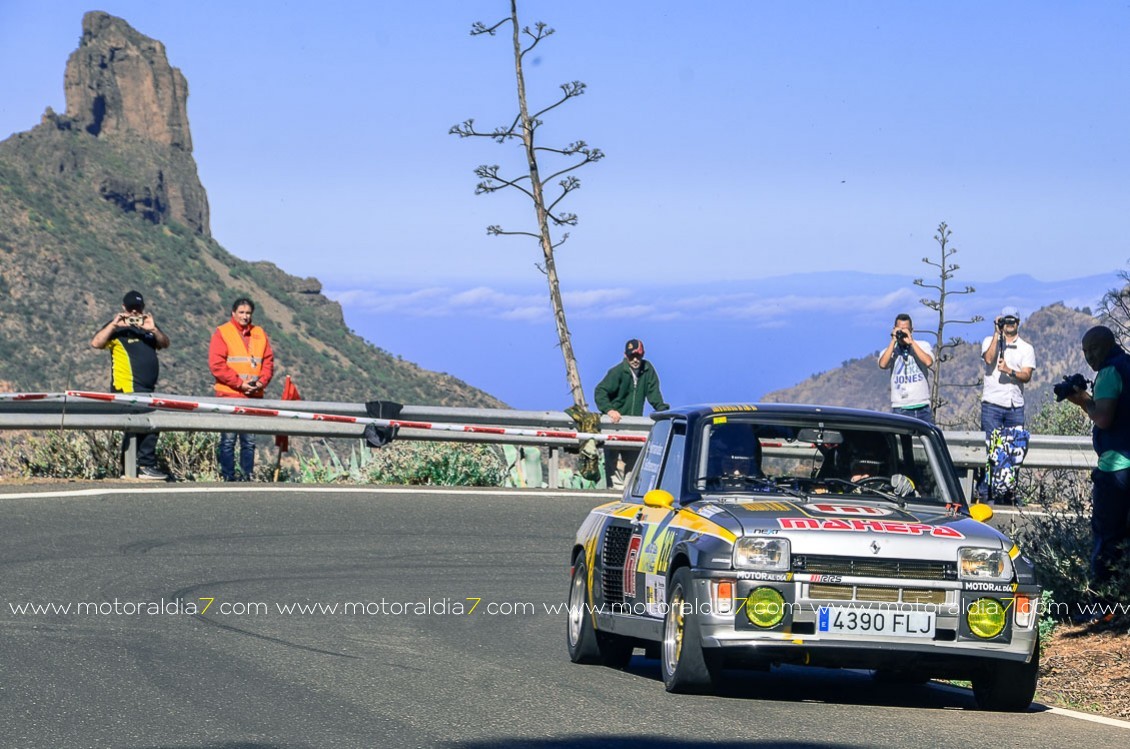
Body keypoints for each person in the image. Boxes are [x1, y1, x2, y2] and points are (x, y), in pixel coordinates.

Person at [1065, 326, 1130, 623]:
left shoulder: (1108, 373)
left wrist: (1083, 401)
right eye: (1085, 352)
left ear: (1107, 346)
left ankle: (1100, 607)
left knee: (1107, 538)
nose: (1090, 357)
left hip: (1115, 467)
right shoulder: (1127, 365)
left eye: (1093, 349)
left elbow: (1103, 417)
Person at [90, 290, 171, 480]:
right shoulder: (116, 329)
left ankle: (131, 468)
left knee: (146, 424)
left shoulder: (148, 328)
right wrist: (114, 324)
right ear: (124, 308)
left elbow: (165, 343)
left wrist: (153, 329)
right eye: (131, 309)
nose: (135, 313)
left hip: (147, 388)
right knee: (144, 425)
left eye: (138, 309)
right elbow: (96, 343)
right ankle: (143, 465)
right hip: (127, 387)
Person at [209, 297, 274, 481]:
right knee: (228, 440)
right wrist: (239, 384)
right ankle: (228, 476)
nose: (245, 316)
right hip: (229, 395)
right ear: (233, 313)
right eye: (241, 313)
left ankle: (247, 475)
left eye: (248, 313)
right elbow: (217, 365)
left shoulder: (259, 333)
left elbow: (268, 362)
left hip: (253, 396)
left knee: (249, 441)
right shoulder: (223, 332)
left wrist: (261, 382)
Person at [594, 338, 669, 487]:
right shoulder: (617, 372)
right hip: (615, 423)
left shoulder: (647, 370)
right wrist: (609, 410)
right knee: (612, 461)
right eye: (631, 356)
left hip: (634, 425)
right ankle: (614, 491)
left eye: (638, 356)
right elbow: (600, 391)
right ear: (625, 355)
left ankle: (627, 490)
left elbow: (654, 395)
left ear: (643, 354)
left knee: (634, 462)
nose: (635, 359)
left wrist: (664, 412)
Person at [980, 305, 1036, 435]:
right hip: (992, 404)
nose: (1010, 324)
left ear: (1018, 323)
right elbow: (988, 359)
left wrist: (1009, 371)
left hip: (1014, 407)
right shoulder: (989, 341)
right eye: (1006, 321)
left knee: (1015, 448)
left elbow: (1027, 376)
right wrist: (996, 334)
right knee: (992, 448)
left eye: (1013, 321)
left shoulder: (1026, 348)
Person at [877, 313, 935, 423]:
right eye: (900, 329)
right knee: (903, 440)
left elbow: (928, 362)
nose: (903, 333)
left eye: (906, 329)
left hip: (922, 407)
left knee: (926, 439)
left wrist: (911, 342)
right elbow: (883, 364)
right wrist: (893, 341)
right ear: (894, 329)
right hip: (900, 407)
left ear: (911, 330)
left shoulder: (922, 345)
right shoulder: (890, 351)